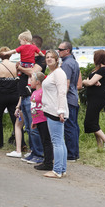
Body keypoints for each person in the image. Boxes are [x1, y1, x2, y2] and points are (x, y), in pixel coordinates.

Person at [42, 50, 69, 178]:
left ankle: (57, 170)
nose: (49, 59)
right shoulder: (53, 73)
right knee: (60, 141)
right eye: (47, 57)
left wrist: (61, 111)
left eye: (51, 57)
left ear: (57, 59)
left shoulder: (59, 73)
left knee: (57, 141)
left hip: (56, 111)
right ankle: (62, 169)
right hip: (52, 109)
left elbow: (62, 92)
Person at [82, 50, 105, 150]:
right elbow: (90, 80)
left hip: (98, 98)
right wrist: (90, 81)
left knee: (89, 122)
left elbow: (89, 82)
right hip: (92, 98)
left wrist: (85, 81)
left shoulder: (103, 70)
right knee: (94, 121)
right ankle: (99, 147)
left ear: (98, 58)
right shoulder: (95, 70)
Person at [0, 47, 19, 150]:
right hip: (14, 94)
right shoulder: (15, 65)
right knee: (16, 120)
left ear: (0, 55)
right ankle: (20, 143)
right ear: (10, 54)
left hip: (1, 95)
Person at [58, 41, 81, 161]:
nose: (58, 51)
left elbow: (65, 84)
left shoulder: (66, 64)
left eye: (60, 49)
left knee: (69, 127)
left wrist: (60, 99)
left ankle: (71, 153)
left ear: (67, 50)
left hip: (68, 99)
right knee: (73, 126)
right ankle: (74, 152)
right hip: (74, 98)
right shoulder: (74, 62)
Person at [30, 72, 54, 171]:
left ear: (38, 82)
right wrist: (34, 121)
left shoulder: (43, 92)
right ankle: (46, 160)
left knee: (46, 141)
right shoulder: (34, 92)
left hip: (44, 119)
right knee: (43, 141)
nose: (30, 81)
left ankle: (48, 162)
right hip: (38, 120)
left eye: (31, 80)